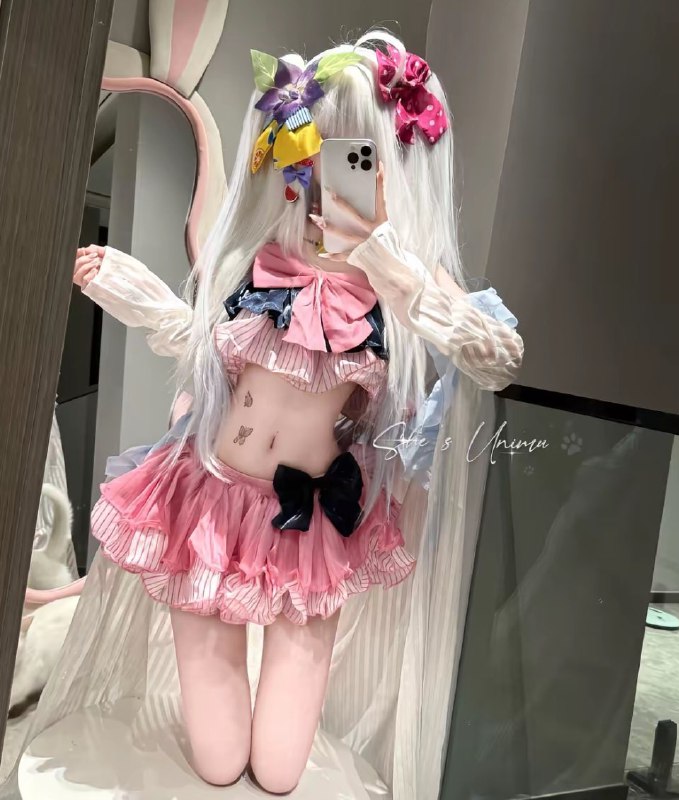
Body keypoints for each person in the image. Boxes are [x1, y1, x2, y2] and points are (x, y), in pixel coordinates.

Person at [3, 29, 523, 798]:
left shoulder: (406, 295)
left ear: (393, 173)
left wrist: (384, 257)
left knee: (278, 772)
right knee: (218, 762)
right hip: (207, 498)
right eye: (305, 161)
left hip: (306, 519)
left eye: (352, 162)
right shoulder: (263, 269)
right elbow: (202, 350)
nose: (322, 187)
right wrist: (135, 292)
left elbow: (499, 358)